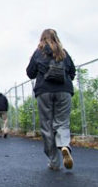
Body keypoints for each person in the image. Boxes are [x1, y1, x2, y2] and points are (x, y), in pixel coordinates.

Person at [26, 29, 76, 170]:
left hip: (44, 91)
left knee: (47, 126)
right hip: (64, 90)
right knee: (62, 122)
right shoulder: (63, 52)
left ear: (42, 38)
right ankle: (64, 145)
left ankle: (54, 162)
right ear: (56, 37)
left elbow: (30, 73)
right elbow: (72, 72)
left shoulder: (38, 52)